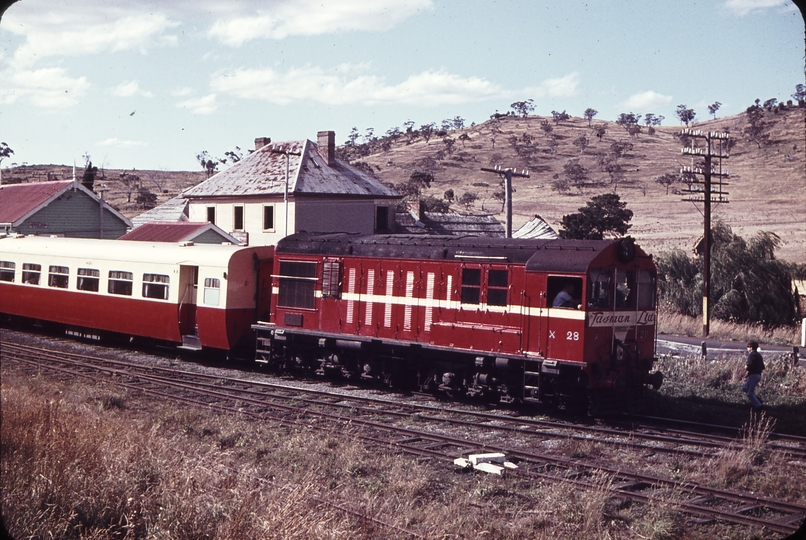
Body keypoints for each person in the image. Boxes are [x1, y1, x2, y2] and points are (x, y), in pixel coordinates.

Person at [742, 341, 765, 411]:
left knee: (749, 393)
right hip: (758, 375)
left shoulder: (751, 355)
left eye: (748, 347)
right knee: (745, 388)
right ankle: (757, 400)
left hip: (753, 375)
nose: (747, 348)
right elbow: (763, 367)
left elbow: (750, 366)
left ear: (751, 347)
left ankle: (759, 406)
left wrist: (746, 368)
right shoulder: (758, 355)